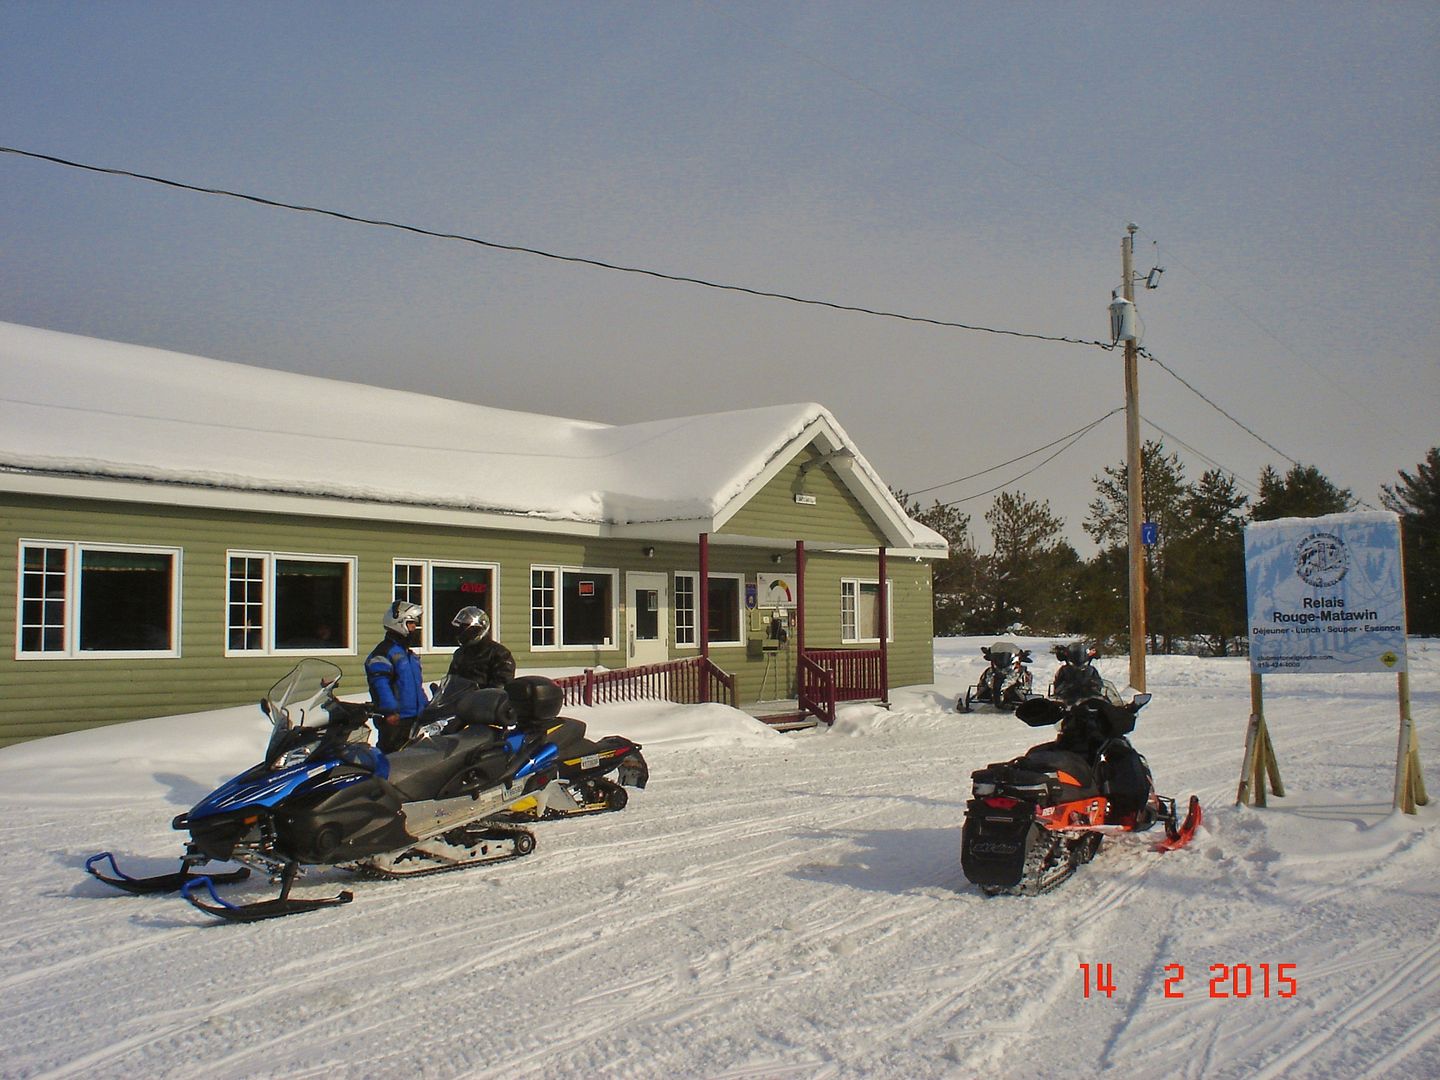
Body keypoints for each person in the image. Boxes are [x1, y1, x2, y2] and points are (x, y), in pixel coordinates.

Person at [365, 600, 428, 752]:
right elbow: (380, 684)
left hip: (415, 719)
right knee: (392, 762)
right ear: (399, 623)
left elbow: (415, 685)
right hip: (396, 721)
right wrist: (389, 711)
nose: (415, 627)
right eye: (411, 623)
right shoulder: (384, 653)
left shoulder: (409, 654)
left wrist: (426, 706)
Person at [447, 606, 515, 689]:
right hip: (461, 700)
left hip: (485, 700)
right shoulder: (460, 653)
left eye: (465, 628)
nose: (462, 632)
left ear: (479, 629)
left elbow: (500, 686)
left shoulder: (500, 654)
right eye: (460, 627)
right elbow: (452, 679)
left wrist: (481, 696)